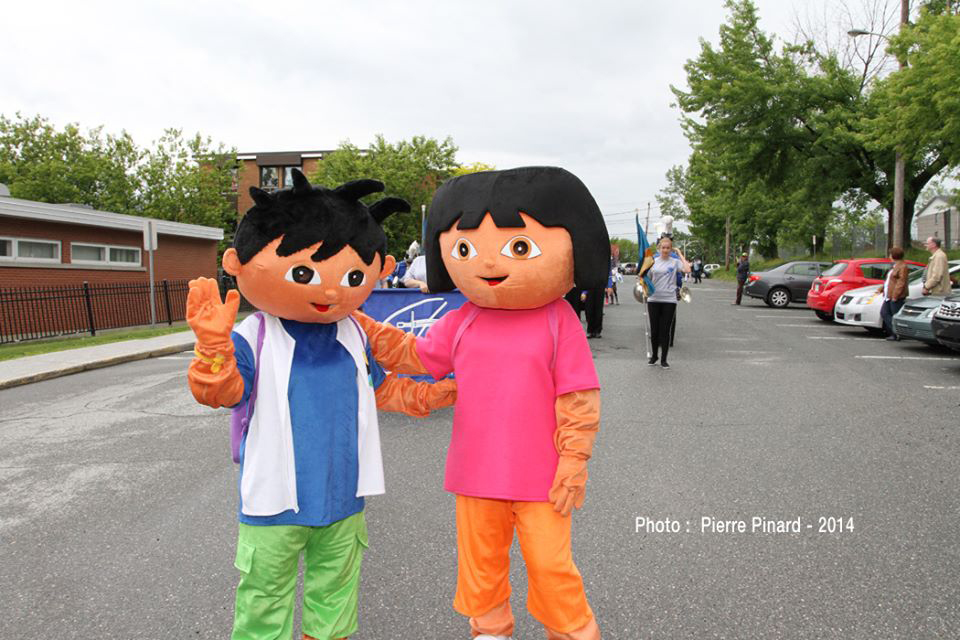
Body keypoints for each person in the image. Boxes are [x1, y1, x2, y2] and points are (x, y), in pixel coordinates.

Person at [184, 171, 457, 640]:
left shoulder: (353, 332)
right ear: (236, 262)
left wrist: (431, 395)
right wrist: (212, 351)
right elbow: (222, 392)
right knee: (264, 603)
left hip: (342, 499)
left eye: (352, 277)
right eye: (304, 273)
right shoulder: (253, 336)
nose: (331, 291)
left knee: (334, 599)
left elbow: (381, 389)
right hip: (273, 504)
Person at [357, 166, 609, 640]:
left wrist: (575, 458)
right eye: (466, 249)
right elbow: (416, 355)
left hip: (543, 477)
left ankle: (573, 631)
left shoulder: (558, 319)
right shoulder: (465, 317)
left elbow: (578, 396)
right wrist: (365, 326)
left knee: (552, 569)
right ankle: (490, 631)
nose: (489, 263)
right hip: (476, 474)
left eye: (519, 248)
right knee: (481, 570)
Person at [644, 236, 691, 368]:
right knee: (654, 330)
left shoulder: (675, 262)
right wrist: (642, 283)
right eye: (663, 248)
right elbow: (646, 279)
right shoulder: (653, 262)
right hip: (654, 299)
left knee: (665, 331)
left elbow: (687, 270)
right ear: (659, 248)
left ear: (671, 249)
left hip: (669, 300)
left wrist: (680, 253)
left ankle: (664, 359)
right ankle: (654, 356)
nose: (665, 250)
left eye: (668, 248)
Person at [879, 246, 909, 341]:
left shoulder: (902, 266)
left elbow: (901, 282)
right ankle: (894, 332)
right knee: (884, 313)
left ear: (894, 255)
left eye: (890, 254)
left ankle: (897, 333)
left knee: (894, 314)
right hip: (888, 295)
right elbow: (889, 281)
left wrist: (895, 295)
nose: (889, 256)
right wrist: (881, 288)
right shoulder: (894, 266)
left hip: (895, 296)